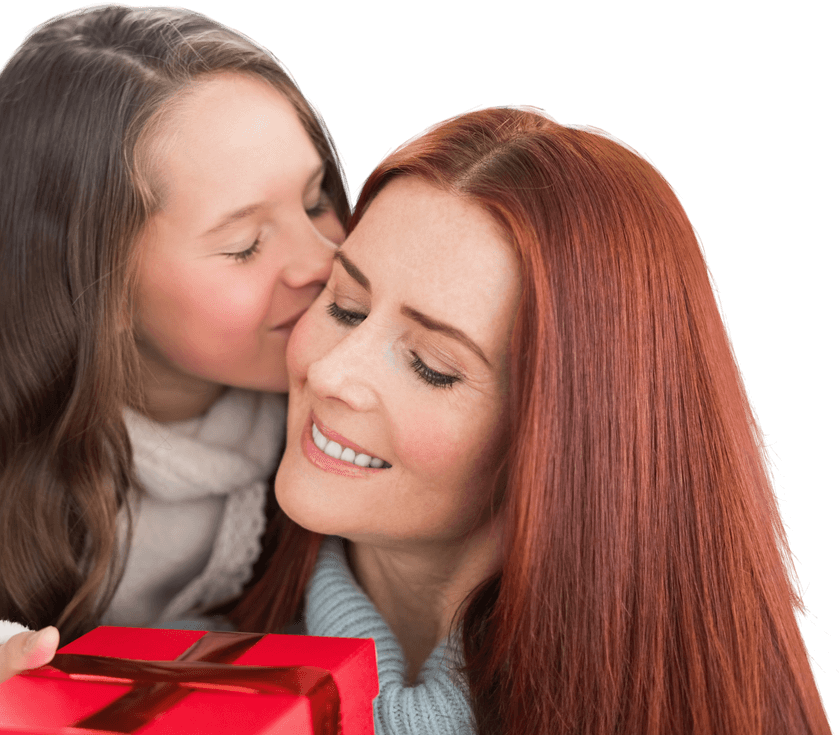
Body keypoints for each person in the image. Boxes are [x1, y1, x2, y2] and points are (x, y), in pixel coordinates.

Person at [0, 5, 347, 734]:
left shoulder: (349, 353)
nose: (322, 263)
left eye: (317, 198)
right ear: (95, 287)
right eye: (242, 245)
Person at [228, 105, 833, 734]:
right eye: (346, 305)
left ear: (567, 438)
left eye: (431, 366)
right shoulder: (156, 634)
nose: (328, 374)